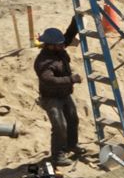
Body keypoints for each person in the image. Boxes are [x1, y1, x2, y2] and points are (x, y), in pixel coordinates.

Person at [34, 16, 86, 168]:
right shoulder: (43, 61)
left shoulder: (59, 49)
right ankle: (57, 155)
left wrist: (76, 19)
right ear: (50, 46)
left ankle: (71, 145)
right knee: (59, 126)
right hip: (51, 98)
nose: (63, 44)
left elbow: (69, 35)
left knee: (72, 120)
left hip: (64, 94)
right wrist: (72, 79)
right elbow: (48, 81)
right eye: (59, 43)